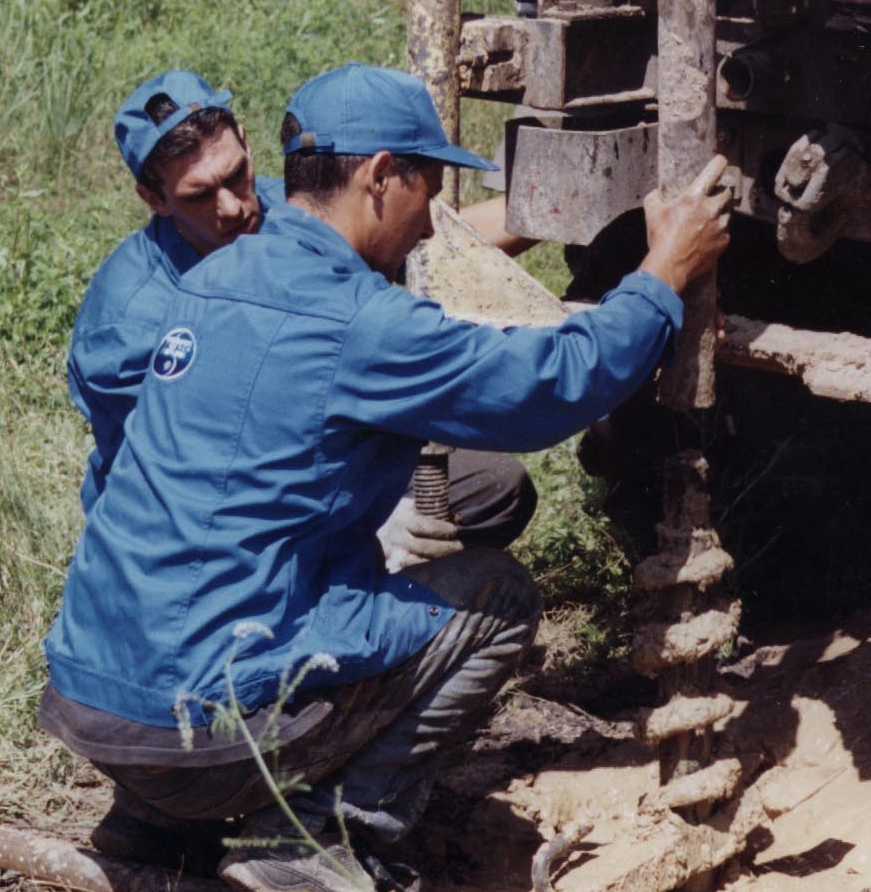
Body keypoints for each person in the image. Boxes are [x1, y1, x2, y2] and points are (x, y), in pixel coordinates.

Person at [40, 63, 731, 892]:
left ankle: (152, 820)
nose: (431, 218)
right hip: (197, 732)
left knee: (296, 554)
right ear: (381, 178)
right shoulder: (360, 323)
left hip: (92, 703)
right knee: (494, 597)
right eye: (429, 189)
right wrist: (661, 277)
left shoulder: (205, 280)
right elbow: (554, 384)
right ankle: (320, 840)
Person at [69, 68, 535, 557]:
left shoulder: (284, 206)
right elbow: (188, 483)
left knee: (496, 486)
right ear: (153, 198)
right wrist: (364, 519)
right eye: (199, 195)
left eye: (235, 176)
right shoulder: (128, 327)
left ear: (246, 144)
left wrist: (557, 210)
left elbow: (438, 240)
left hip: (316, 455)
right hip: (204, 524)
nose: (231, 207)